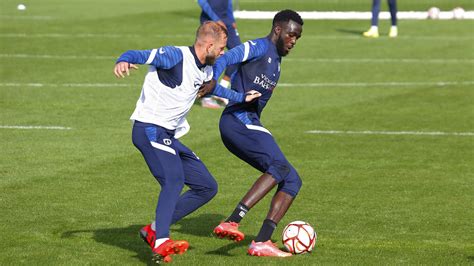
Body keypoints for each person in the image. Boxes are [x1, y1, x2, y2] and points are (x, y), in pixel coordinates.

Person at [113, 21, 261, 263]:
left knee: (206, 186)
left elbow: (214, 90)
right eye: (222, 48)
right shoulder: (174, 56)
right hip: (149, 128)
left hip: (166, 135)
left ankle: (152, 230)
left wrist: (242, 97)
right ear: (210, 45)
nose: (223, 53)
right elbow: (138, 54)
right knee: (174, 180)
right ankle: (161, 241)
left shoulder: (205, 68)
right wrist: (123, 59)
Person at [199, 9, 304, 257]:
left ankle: (262, 241)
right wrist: (215, 81)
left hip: (248, 122)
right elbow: (226, 58)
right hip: (237, 120)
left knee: (292, 180)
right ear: (278, 30)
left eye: (297, 38)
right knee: (279, 167)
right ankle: (233, 220)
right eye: (291, 35)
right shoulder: (258, 47)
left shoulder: (277, 60)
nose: (293, 41)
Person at [198, 0, 242, 109]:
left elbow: (228, 2)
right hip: (210, 21)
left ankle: (222, 88)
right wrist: (216, 19)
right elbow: (202, 2)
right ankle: (206, 96)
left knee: (238, 52)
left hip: (226, 20)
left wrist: (231, 19)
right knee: (210, 56)